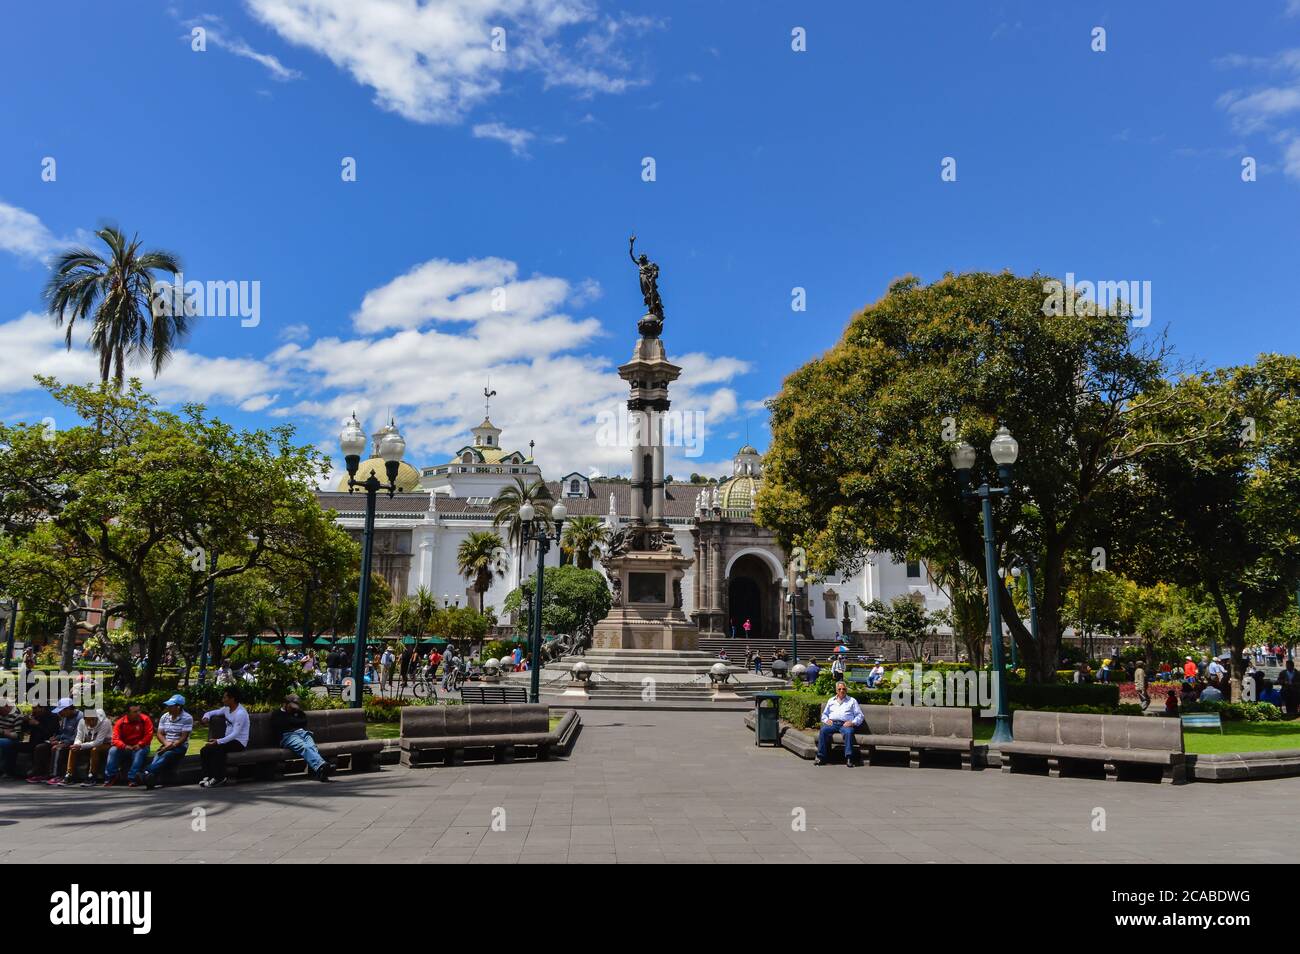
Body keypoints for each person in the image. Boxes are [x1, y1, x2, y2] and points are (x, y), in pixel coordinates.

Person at [271, 694, 331, 781]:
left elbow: (303, 721)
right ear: (285, 704)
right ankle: (322, 766)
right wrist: (294, 721)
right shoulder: (277, 714)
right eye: (292, 707)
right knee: (304, 747)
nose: (294, 709)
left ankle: (321, 771)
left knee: (312, 747)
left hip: (304, 733)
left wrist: (293, 720)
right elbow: (282, 725)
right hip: (288, 736)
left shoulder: (298, 712)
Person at [199, 688, 250, 788]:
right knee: (205, 750)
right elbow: (211, 713)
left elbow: (235, 734)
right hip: (228, 740)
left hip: (239, 742)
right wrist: (206, 717)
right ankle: (207, 776)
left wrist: (218, 741)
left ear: (232, 699)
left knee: (218, 749)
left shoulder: (240, 713)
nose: (223, 700)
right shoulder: (226, 709)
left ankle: (219, 778)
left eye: (225, 697)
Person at [141, 695, 193, 790]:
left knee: (166, 755)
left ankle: (145, 772)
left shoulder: (187, 718)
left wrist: (168, 747)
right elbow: (159, 733)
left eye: (170, 706)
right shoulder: (165, 717)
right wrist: (166, 744)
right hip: (166, 744)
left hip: (180, 746)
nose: (168, 707)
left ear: (178, 707)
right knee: (157, 758)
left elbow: (183, 737)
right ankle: (150, 781)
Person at [28, 697, 81, 782]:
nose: (59, 713)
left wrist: (62, 742)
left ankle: (56, 775)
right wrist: (55, 738)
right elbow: (62, 732)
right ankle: (41, 773)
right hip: (63, 740)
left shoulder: (80, 718)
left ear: (68, 709)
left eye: (61, 711)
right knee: (40, 747)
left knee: (57, 749)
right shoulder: (65, 717)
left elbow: (77, 736)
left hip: (74, 742)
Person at [104, 703, 155, 787]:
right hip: (125, 747)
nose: (138, 713)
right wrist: (124, 746)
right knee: (113, 750)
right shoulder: (120, 722)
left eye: (139, 710)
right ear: (128, 713)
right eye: (135, 711)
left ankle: (133, 778)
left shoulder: (145, 719)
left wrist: (140, 744)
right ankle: (111, 776)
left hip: (141, 746)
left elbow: (149, 735)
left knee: (139, 753)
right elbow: (115, 739)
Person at [815, 682, 864, 767]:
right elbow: (824, 714)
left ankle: (849, 758)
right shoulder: (831, 700)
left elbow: (860, 715)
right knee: (823, 731)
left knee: (849, 733)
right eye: (839, 689)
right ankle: (821, 757)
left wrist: (852, 722)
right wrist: (826, 720)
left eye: (844, 689)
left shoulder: (852, 701)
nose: (842, 691)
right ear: (836, 690)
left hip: (845, 724)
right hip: (833, 724)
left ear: (846, 690)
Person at [64, 709, 112, 786]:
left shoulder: (105, 722)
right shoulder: (81, 722)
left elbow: (98, 742)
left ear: (97, 718)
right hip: (89, 743)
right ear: (84, 719)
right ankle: (69, 775)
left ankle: (92, 776)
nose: (91, 722)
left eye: (93, 719)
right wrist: (77, 745)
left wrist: (81, 746)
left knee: (95, 749)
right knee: (73, 749)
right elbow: (79, 737)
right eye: (88, 720)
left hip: (105, 744)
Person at [0, 701, 25, 779]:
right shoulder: (1, 713)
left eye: (0, 710)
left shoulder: (17, 716)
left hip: (12, 740)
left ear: (6, 706)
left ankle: (5, 770)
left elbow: (16, 735)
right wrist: (4, 731)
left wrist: (3, 732)